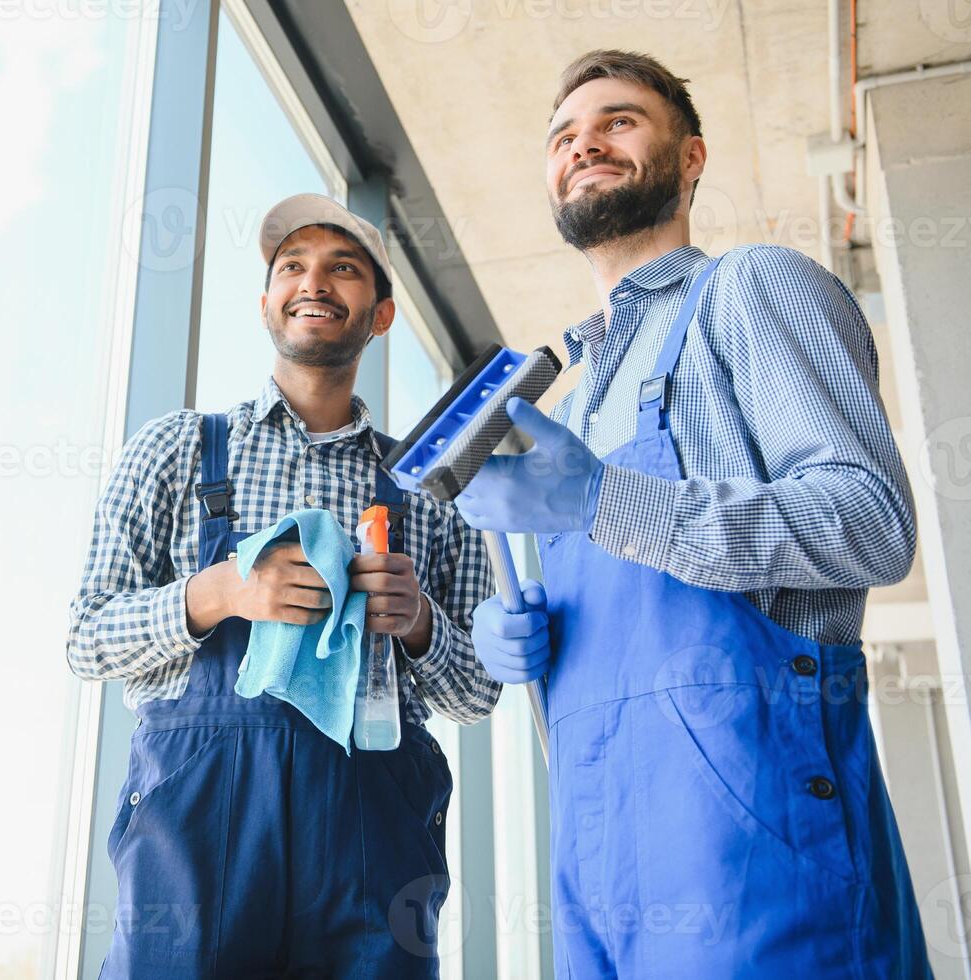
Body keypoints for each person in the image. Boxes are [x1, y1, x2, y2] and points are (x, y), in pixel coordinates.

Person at [460, 50, 931, 976]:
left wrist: (605, 501)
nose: (583, 142)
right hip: (597, 863)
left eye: (619, 121)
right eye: (563, 135)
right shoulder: (576, 398)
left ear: (692, 158)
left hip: (753, 846)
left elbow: (870, 521)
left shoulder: (751, 289)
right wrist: (520, 635)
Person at [67, 193, 499, 977]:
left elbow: (477, 695)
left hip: (372, 823)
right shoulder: (176, 449)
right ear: (265, 304)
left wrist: (419, 624)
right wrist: (220, 593)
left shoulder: (432, 489)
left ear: (382, 315)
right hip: (197, 815)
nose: (314, 282)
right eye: (291, 267)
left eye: (343, 269)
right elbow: (86, 638)